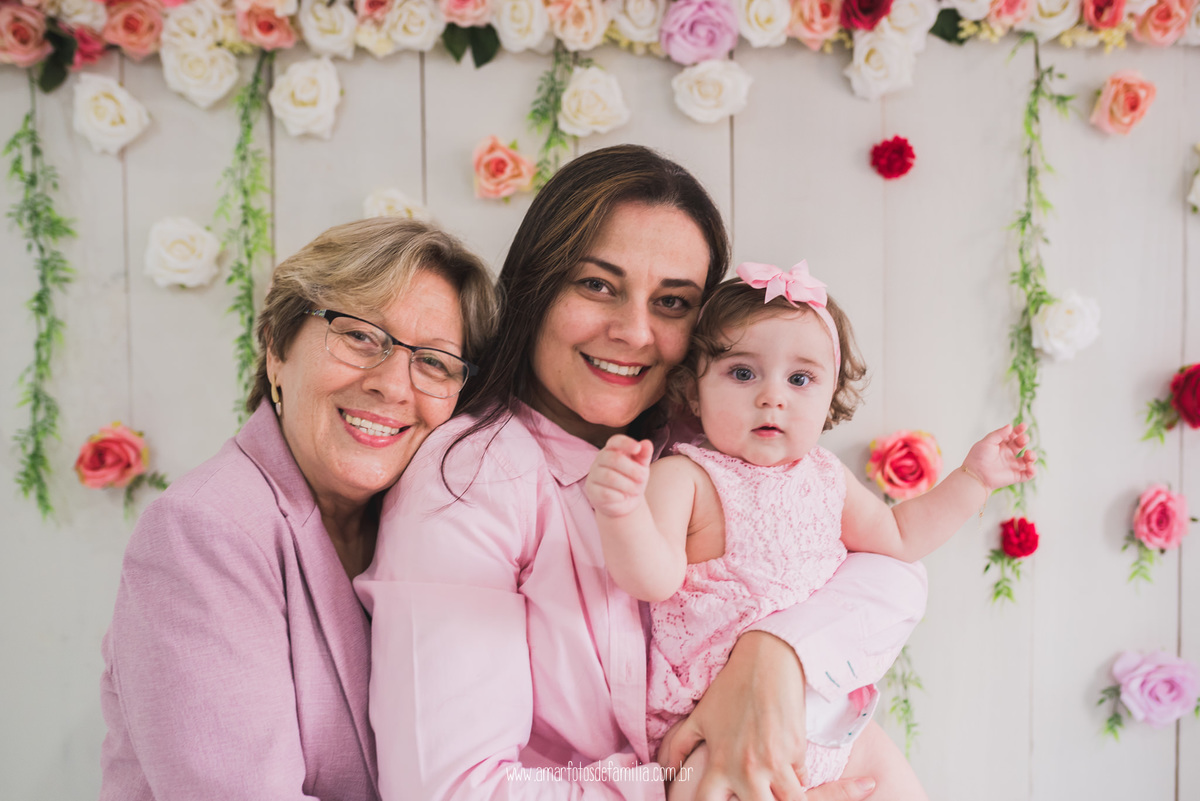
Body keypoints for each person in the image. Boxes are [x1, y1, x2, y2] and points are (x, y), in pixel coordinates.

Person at [357, 145, 928, 801]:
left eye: (673, 301)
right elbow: (453, 789)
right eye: (598, 285)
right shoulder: (469, 480)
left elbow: (895, 569)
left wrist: (776, 653)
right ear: (537, 287)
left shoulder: (710, 440)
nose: (633, 332)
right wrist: (687, 786)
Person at [585, 262, 1038, 799]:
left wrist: (973, 480)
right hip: (716, 730)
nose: (771, 397)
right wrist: (622, 510)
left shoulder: (825, 476)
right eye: (742, 373)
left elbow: (899, 536)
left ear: (830, 398)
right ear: (694, 389)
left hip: (835, 723)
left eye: (799, 379)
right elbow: (651, 579)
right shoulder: (686, 477)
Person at [98, 218, 496, 801]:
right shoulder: (203, 531)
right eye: (361, 336)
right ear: (277, 350)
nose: (393, 386)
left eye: (434, 362)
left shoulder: (424, 527)